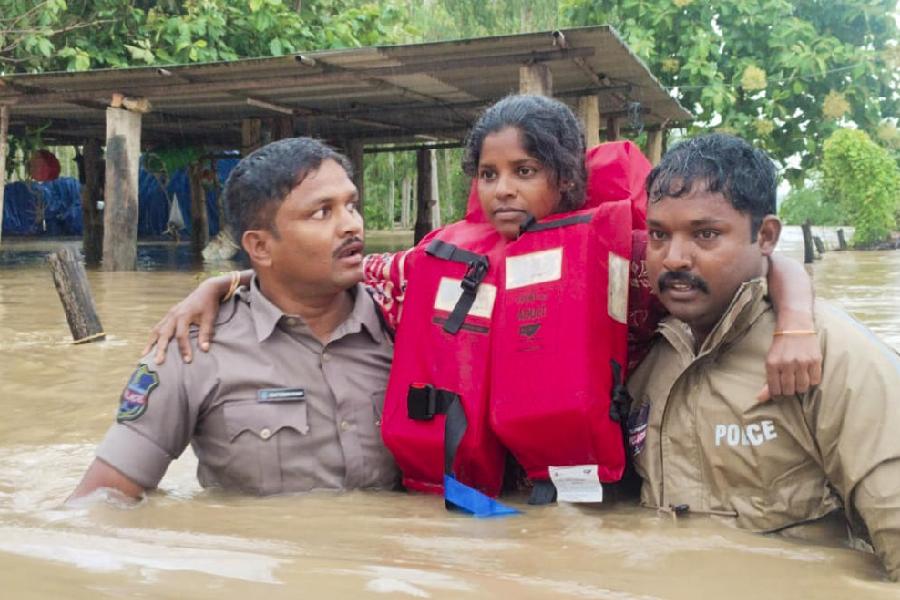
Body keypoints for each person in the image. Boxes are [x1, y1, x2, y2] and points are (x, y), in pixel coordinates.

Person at [146, 96, 820, 505]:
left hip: (593, 489)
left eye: (525, 173)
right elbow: (328, 273)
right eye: (490, 174)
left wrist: (796, 318)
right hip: (480, 496)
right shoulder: (425, 269)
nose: (504, 189)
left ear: (564, 178)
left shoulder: (630, 264)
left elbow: (756, 265)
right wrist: (221, 283)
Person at [627, 133, 900, 580]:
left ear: (767, 236)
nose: (674, 258)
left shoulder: (835, 357)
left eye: (706, 235)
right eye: (658, 235)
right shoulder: (647, 356)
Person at [70, 138, 398, 500]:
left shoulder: (406, 323)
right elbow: (100, 502)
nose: (351, 225)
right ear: (259, 247)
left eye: (351, 205)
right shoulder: (192, 349)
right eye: (322, 212)